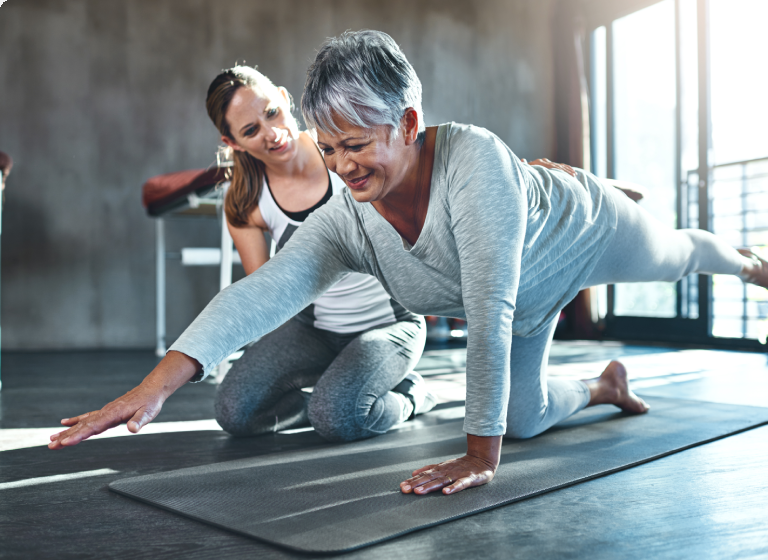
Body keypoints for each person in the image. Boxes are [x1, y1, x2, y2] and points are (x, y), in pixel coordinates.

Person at [50, 31, 768, 500]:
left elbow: (488, 310)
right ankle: (604, 385)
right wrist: (153, 388)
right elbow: (265, 289)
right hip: (524, 297)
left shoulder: (473, 163)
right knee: (522, 421)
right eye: (330, 149)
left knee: (676, 256)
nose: (343, 166)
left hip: (578, 234)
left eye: (358, 145)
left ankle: (742, 259)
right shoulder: (347, 217)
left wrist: (476, 456)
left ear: (410, 125)